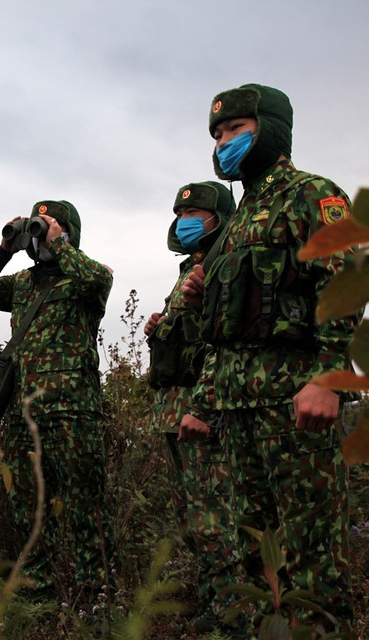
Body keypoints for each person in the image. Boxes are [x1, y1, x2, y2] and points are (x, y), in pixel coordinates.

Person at [181, 84, 358, 634]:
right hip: (236, 410)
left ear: (270, 128)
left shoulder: (311, 193)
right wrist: (202, 402)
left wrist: (330, 379)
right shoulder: (234, 224)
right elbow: (223, 329)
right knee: (254, 554)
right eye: (216, 134)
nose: (223, 142)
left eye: (235, 129)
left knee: (310, 556)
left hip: (294, 403)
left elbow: (347, 281)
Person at [0, 200, 114, 603]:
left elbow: (98, 278)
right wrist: (4, 248)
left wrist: (60, 243)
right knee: (29, 510)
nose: (42, 233)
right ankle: (37, 600)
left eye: (52, 225)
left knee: (87, 509)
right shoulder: (23, 285)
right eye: (39, 225)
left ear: (69, 233)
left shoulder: (84, 281)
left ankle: (97, 601)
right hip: (24, 416)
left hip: (73, 413)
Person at [143, 181, 238, 632]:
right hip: (174, 408)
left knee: (214, 511)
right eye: (181, 214)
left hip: (205, 408)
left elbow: (226, 335)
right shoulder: (189, 269)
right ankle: (213, 599)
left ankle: (230, 610)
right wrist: (161, 327)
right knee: (193, 513)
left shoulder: (224, 262)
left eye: (196, 213)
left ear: (219, 217)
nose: (185, 221)